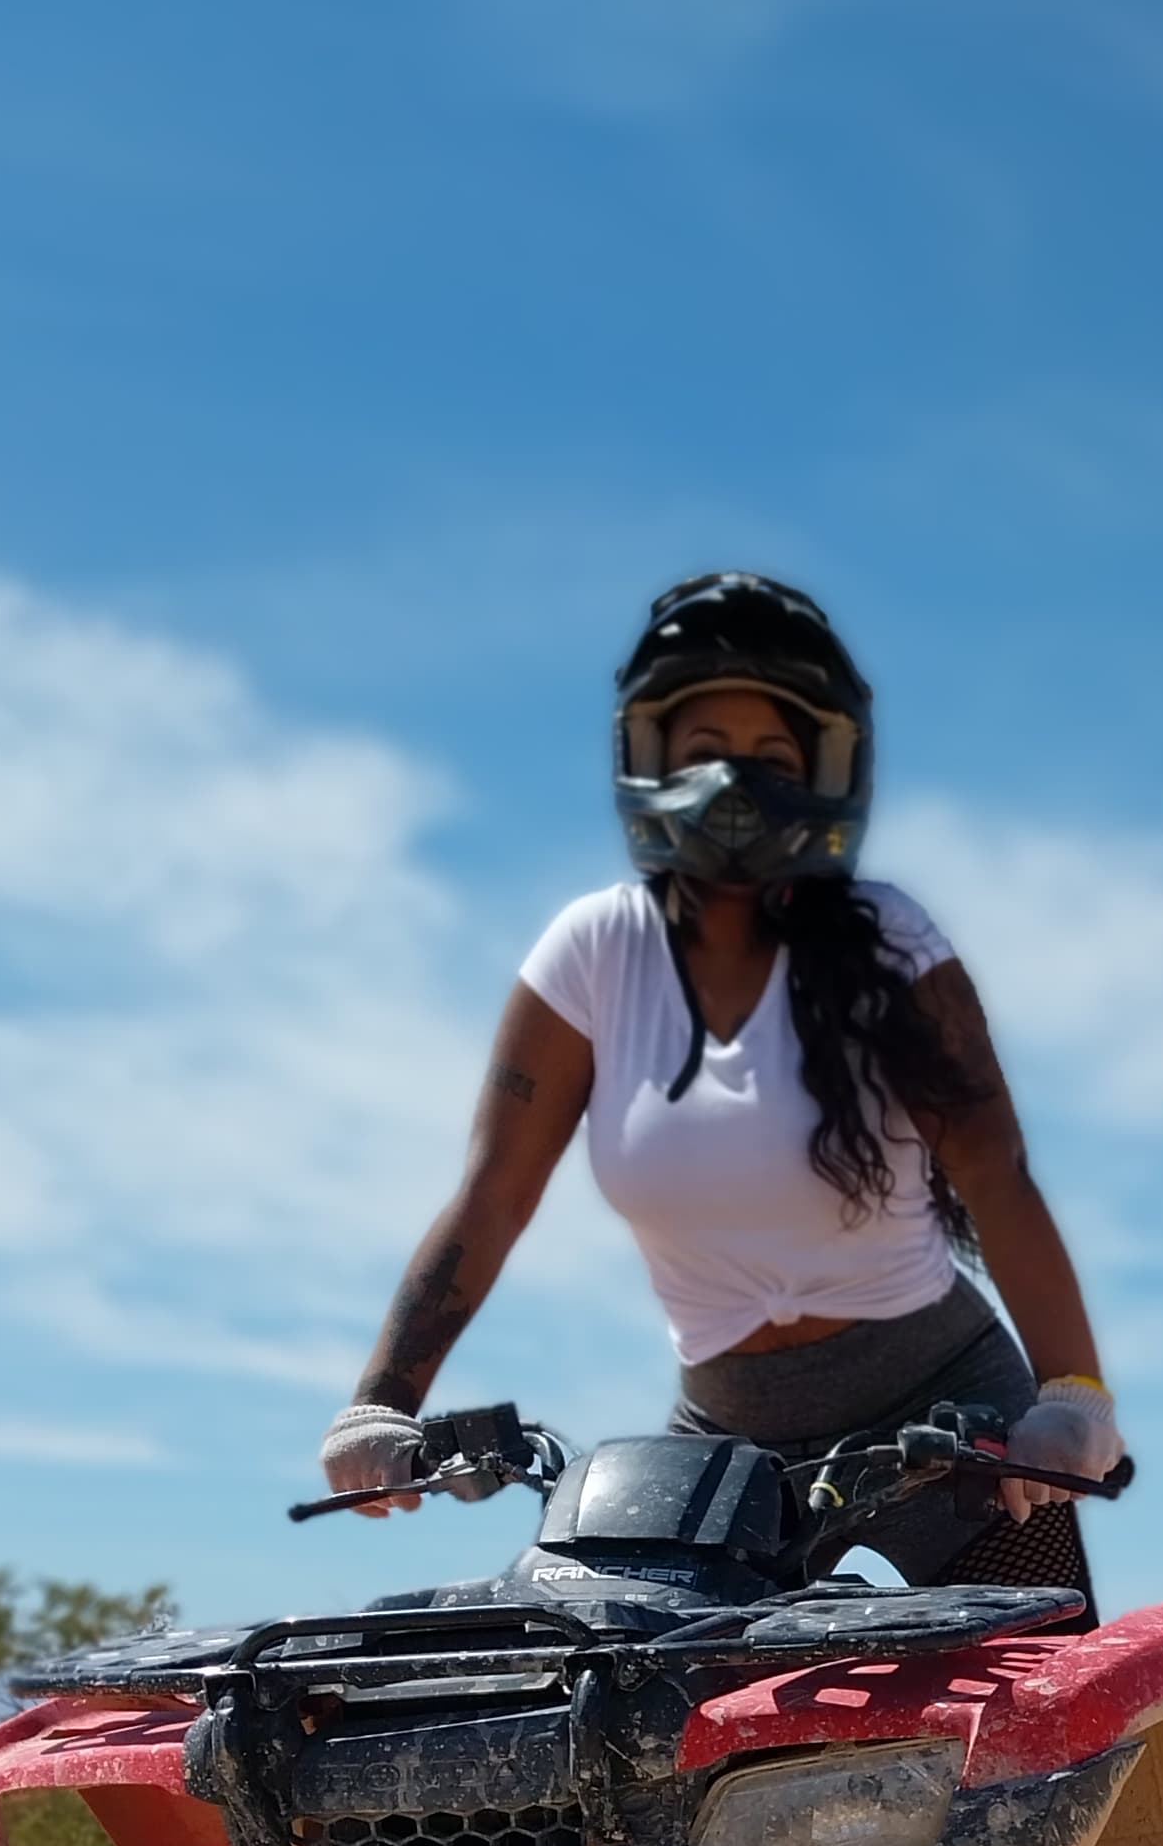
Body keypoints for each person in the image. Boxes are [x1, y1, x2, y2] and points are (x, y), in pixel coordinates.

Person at [319, 571, 1121, 1601]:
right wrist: (381, 1402)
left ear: (828, 772)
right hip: (727, 1448)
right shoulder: (593, 955)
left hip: (950, 1424)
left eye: (772, 757)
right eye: (702, 750)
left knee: (1027, 1695)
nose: (734, 783)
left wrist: (1072, 1396)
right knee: (654, 1696)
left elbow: (995, 1174)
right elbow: (494, 1194)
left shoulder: (893, 943)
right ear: (647, 761)